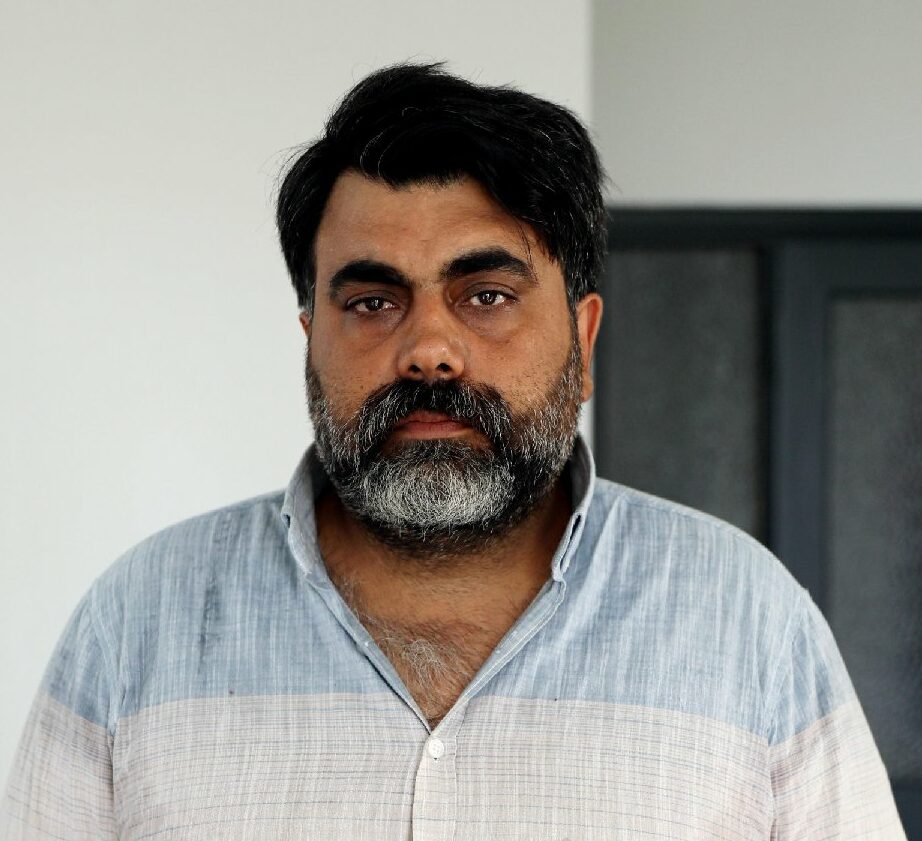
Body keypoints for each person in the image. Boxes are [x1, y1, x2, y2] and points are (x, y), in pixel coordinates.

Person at [2, 63, 905, 841]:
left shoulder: (748, 624)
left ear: (584, 341)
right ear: (310, 340)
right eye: (372, 302)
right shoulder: (137, 626)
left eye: (486, 296)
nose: (429, 350)